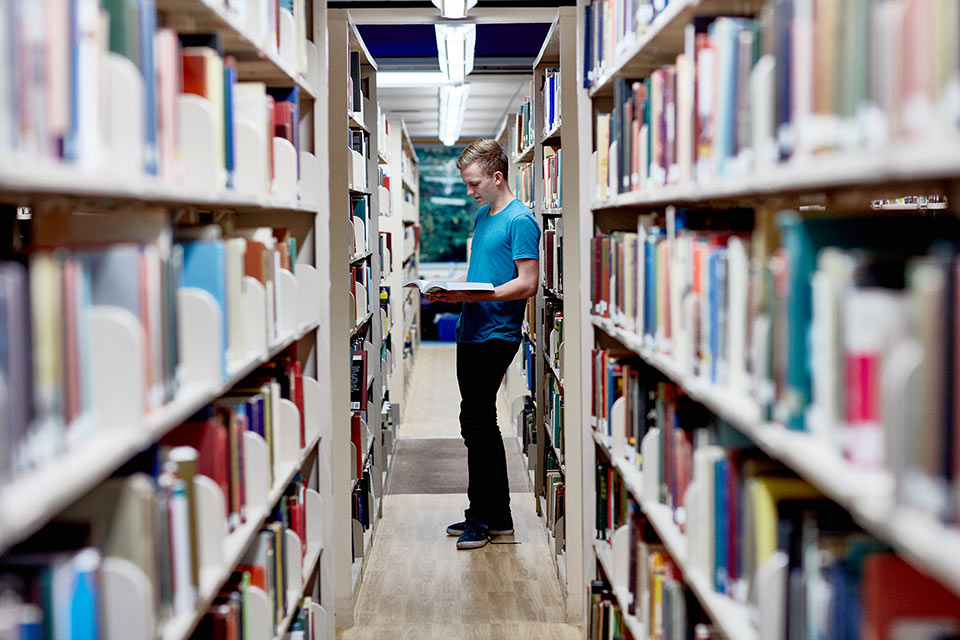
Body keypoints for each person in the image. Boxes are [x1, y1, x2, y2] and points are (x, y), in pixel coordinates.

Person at [425, 139, 540, 550]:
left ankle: (485, 518)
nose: (470, 191)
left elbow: (528, 283)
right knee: (473, 422)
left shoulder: (520, 220)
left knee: (479, 422)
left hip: (497, 333)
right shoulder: (482, 216)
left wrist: (474, 297)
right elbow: (486, 272)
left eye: (475, 183)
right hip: (470, 328)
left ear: (497, 176)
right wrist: (453, 292)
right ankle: (495, 516)